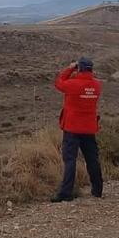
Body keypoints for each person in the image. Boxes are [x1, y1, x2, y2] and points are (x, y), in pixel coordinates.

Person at [51, 56, 103, 202]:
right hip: (89, 128)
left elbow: (59, 82)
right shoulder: (97, 85)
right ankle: (97, 190)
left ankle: (65, 193)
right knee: (92, 159)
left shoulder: (72, 84)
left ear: (79, 68)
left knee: (70, 160)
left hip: (72, 128)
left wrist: (69, 68)